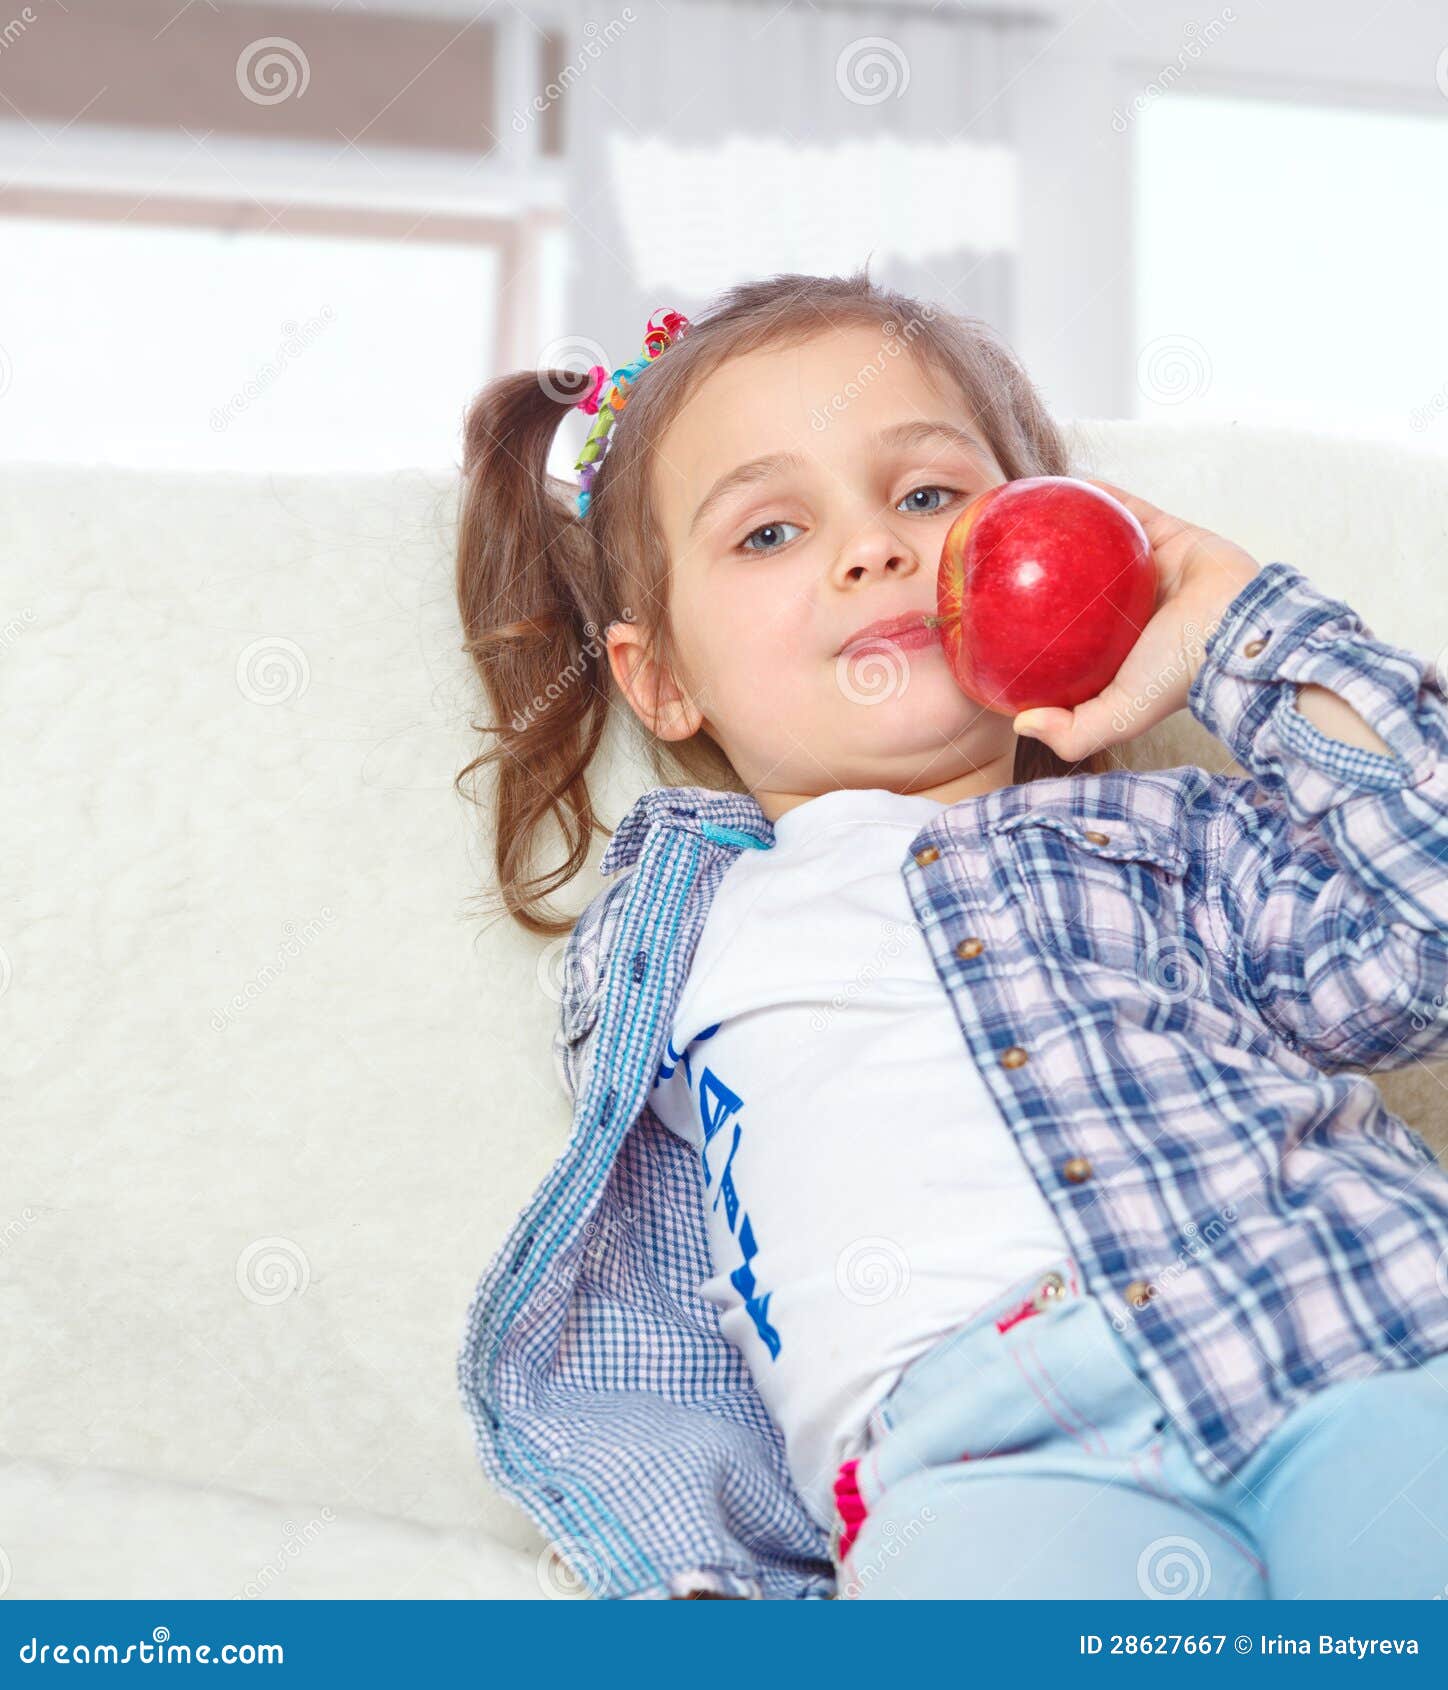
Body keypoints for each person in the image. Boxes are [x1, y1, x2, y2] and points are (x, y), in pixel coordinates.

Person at [453, 269, 1448, 1600]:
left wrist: (1240, 629)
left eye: (926, 495)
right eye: (767, 532)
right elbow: (684, 1294)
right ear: (661, 677)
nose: (874, 550)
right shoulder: (675, 933)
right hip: (976, 1454)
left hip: (1349, 1321)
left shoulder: (1179, 835)